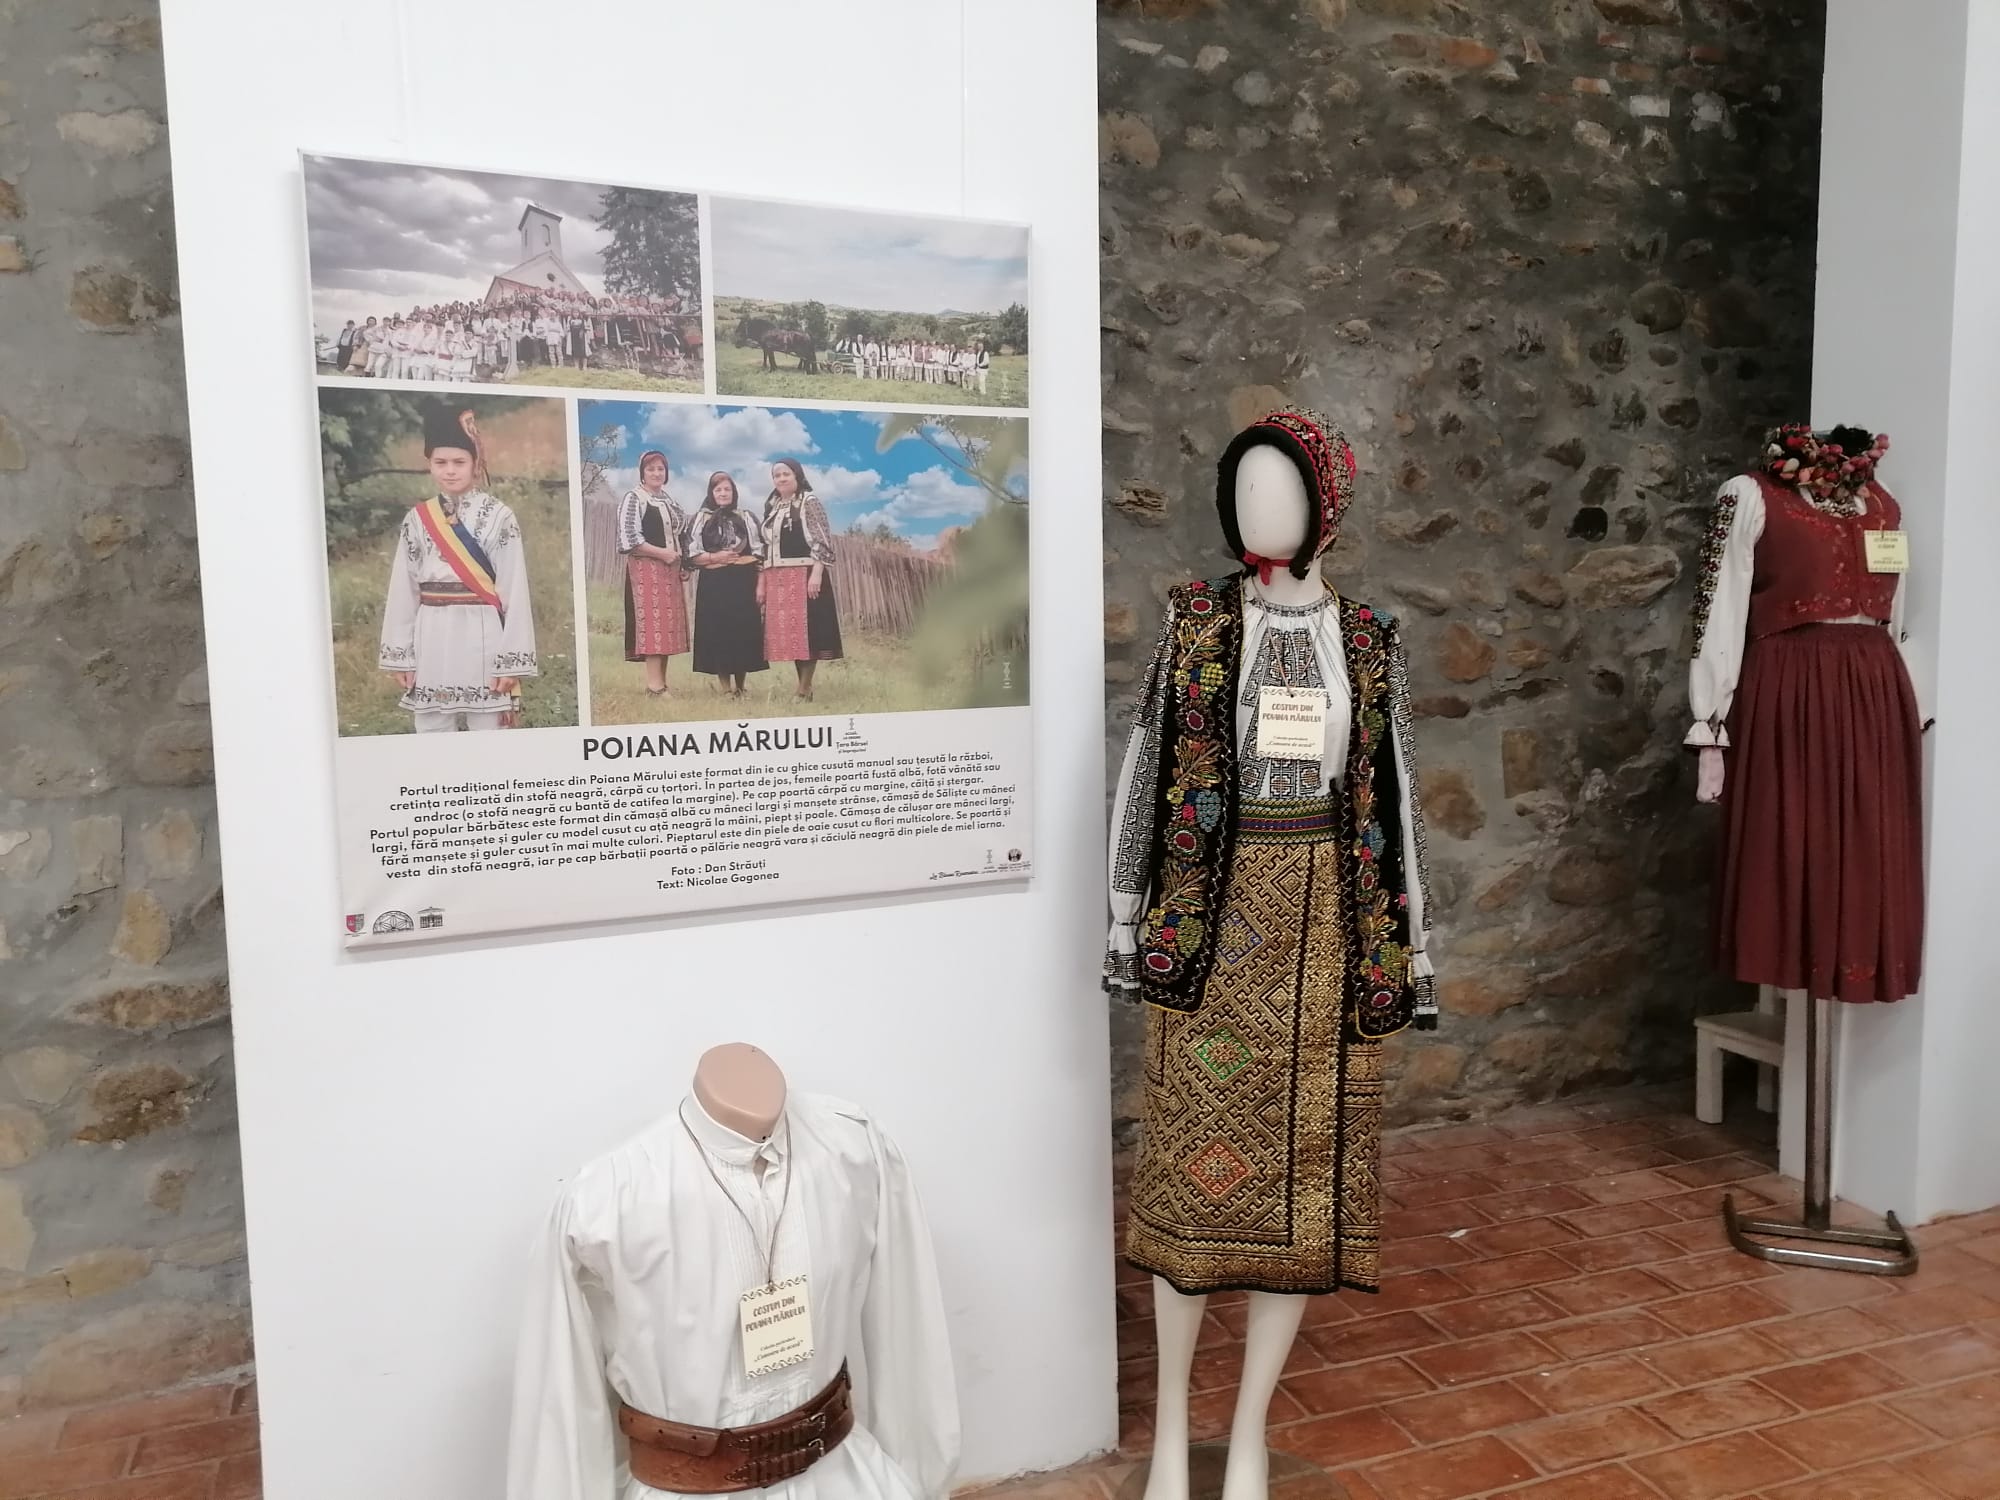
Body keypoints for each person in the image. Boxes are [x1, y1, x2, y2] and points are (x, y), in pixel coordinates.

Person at [378, 405, 538, 732]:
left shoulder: (499, 516)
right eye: (440, 462)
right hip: (432, 634)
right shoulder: (417, 519)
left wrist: (511, 659)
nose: (450, 471)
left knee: (489, 729)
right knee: (432, 729)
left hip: (483, 634)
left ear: (476, 464)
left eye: (459, 462)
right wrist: (401, 654)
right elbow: (403, 589)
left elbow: (514, 587)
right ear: (429, 464)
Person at [757, 459, 842, 702]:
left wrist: (817, 573)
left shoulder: (809, 501)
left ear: (797, 476)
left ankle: (804, 689)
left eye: (786, 474)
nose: (781, 478)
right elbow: (766, 545)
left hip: (804, 574)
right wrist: (764, 580)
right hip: (778, 578)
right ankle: (804, 687)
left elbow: (821, 539)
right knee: (793, 636)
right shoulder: (773, 506)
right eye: (777, 475)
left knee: (808, 632)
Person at [685, 471, 766, 698]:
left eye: (727, 489)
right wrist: (715, 557)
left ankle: (740, 686)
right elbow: (691, 553)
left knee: (742, 631)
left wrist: (760, 584)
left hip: (743, 581)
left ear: (734, 492)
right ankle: (725, 689)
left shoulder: (747, 517)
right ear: (711, 493)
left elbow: (761, 552)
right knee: (718, 632)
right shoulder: (701, 518)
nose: (723, 493)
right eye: (718, 489)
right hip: (714, 583)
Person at [619, 449, 690, 699]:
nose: (656, 473)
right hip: (646, 570)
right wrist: (663, 554)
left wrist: (683, 564)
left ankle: (662, 684)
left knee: (667, 627)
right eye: (651, 469)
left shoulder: (669, 501)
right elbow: (630, 539)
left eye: (661, 469)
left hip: (670, 571)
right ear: (642, 473)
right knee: (654, 626)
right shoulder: (634, 498)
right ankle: (654, 686)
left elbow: (682, 534)